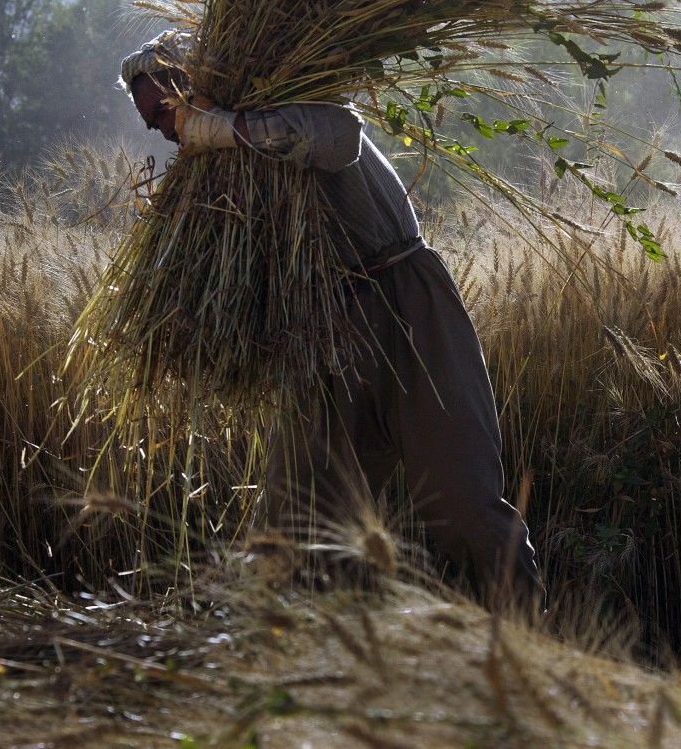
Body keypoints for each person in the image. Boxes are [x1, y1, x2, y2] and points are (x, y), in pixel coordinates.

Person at [120, 31, 542, 612]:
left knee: (466, 508)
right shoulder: (214, 180)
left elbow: (339, 138)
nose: (162, 130)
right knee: (296, 528)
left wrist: (221, 127)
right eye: (151, 123)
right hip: (325, 334)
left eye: (164, 109)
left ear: (192, 85)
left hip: (407, 306)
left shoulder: (288, 102)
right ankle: (308, 674)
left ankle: (524, 649)